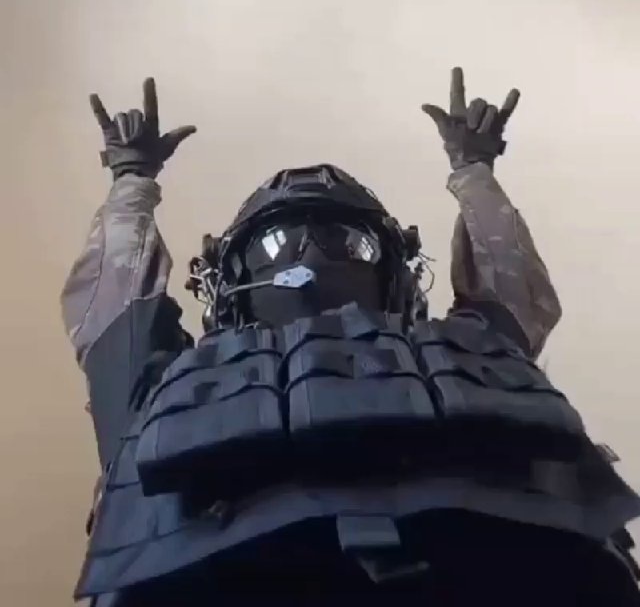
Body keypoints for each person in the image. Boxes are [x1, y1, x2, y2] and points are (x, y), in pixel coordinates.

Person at [60, 70, 640, 606]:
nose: (310, 256)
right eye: (276, 244)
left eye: (346, 243)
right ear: (230, 285)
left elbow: (510, 287)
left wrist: (474, 170)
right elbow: (115, 303)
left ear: (395, 273)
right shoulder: (166, 384)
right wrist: (131, 180)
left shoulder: (470, 350)